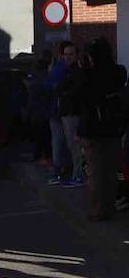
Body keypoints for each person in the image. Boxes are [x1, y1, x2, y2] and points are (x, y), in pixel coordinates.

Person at [73, 38, 128, 220]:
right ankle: (110, 206)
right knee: (111, 170)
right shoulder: (119, 72)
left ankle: (98, 209)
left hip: (92, 128)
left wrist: (83, 69)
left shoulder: (88, 75)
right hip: (113, 126)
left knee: (95, 171)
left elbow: (80, 95)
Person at [49, 40, 86, 186]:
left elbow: (74, 91)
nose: (68, 57)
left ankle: (78, 175)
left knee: (74, 145)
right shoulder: (67, 70)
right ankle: (74, 174)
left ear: (76, 55)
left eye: (71, 54)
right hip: (66, 111)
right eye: (65, 55)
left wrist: (63, 92)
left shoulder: (76, 71)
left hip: (73, 112)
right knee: (70, 145)